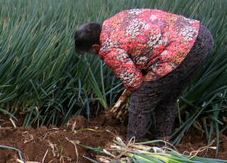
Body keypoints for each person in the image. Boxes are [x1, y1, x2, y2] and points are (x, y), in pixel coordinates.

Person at [74, 9, 213, 142]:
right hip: (201, 35)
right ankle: (163, 143)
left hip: (182, 49)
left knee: (140, 100)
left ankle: (134, 148)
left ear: (95, 47)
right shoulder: (116, 19)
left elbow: (134, 83)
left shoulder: (108, 48)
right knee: (167, 96)